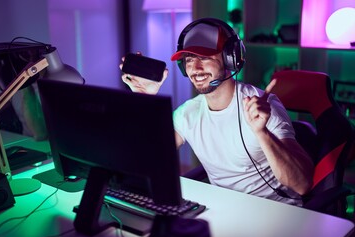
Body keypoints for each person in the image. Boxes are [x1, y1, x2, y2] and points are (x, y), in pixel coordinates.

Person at [120, 18, 314, 206]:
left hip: (277, 212)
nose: (195, 68)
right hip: (224, 211)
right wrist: (144, 97)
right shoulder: (187, 114)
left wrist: (261, 132)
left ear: (231, 59)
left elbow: (302, 184)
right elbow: (149, 159)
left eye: (204, 57)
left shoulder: (263, 106)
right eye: (189, 60)